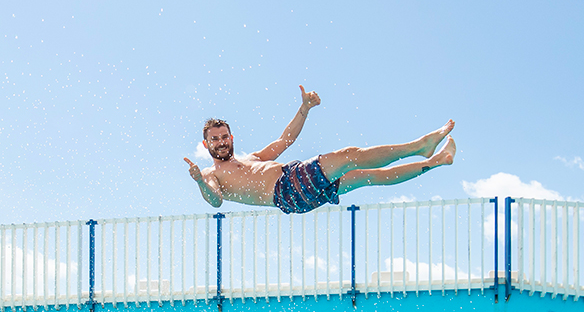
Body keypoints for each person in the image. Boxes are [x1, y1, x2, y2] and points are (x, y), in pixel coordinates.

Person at [184, 86, 455, 214]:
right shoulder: (210, 174)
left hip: (296, 195)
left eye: (223, 137)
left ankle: (436, 161)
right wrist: (199, 182)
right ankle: (419, 146)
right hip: (288, 188)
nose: (221, 142)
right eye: (215, 139)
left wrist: (304, 109)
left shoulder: (250, 159)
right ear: (207, 144)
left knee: (367, 175)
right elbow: (216, 200)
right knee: (349, 155)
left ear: (231, 137)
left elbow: (284, 141)